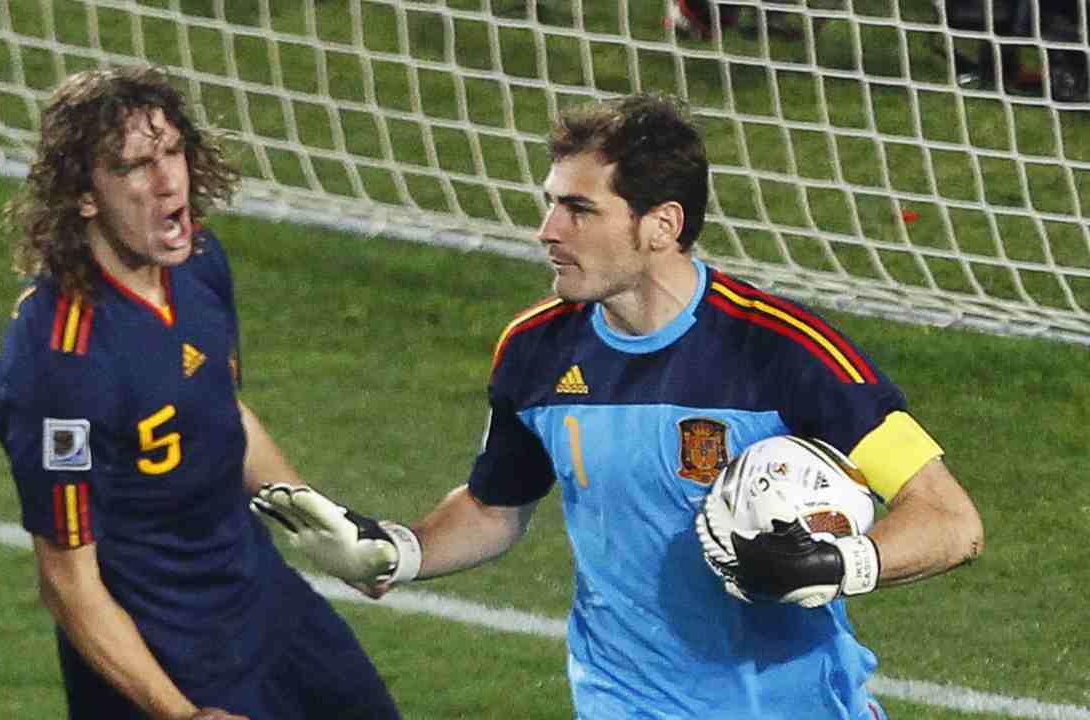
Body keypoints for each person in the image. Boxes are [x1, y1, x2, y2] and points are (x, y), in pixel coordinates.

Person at [252, 92, 985, 719]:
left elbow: (949, 521)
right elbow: (495, 506)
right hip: (619, 702)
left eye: (578, 209)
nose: (547, 231)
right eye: (550, 205)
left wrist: (836, 562)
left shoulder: (784, 352)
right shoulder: (536, 351)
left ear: (661, 224)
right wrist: (397, 550)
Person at [0, 65, 402, 720]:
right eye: (135, 167)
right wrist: (180, 714)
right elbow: (67, 582)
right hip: (162, 654)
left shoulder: (201, 263)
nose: (168, 182)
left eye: (174, 152)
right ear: (84, 195)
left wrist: (322, 525)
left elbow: (221, 417)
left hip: (263, 601)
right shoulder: (62, 364)